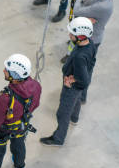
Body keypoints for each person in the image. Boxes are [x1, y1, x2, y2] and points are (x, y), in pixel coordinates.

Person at [40, 17, 95, 147]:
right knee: (77, 100)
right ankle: (74, 118)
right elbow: (92, 62)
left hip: (72, 88)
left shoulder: (79, 57)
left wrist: (72, 81)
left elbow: (84, 81)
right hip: (77, 88)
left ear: (81, 36)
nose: (69, 35)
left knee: (62, 112)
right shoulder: (90, 44)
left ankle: (58, 138)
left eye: (72, 34)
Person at [72, 0, 118, 103]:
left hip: (92, 41)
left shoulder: (103, 6)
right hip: (87, 36)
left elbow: (77, 10)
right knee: (83, 67)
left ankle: (81, 97)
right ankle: (81, 95)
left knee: (85, 69)